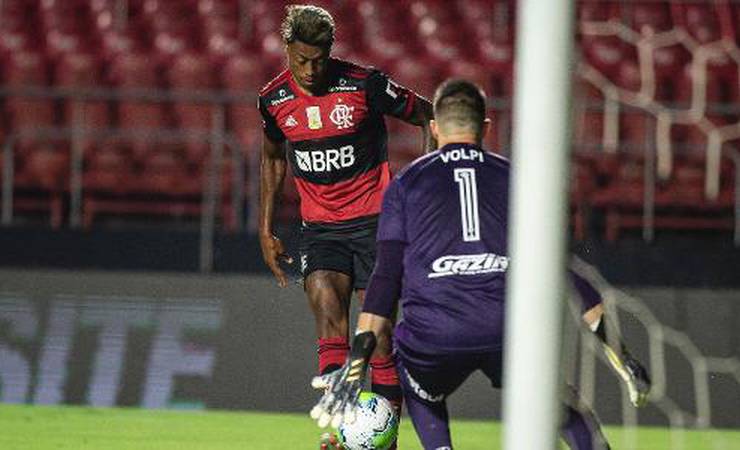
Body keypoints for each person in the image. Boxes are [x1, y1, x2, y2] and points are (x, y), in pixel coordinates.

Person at [310, 79, 650, 450]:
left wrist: (358, 355)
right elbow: (565, 272)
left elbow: (386, 275)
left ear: (435, 128)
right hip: (509, 330)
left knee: (415, 382)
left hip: (433, 333)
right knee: (562, 405)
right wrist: (623, 355)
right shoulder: (521, 181)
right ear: (485, 128)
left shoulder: (405, 184)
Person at [257, 4, 435, 448]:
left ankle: (384, 442)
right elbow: (273, 158)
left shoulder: (365, 85)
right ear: (287, 51)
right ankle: (345, 436)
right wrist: (265, 228)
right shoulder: (274, 100)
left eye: (318, 59)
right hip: (321, 229)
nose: (311, 69)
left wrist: (427, 187)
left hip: (377, 224)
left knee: (379, 336)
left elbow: (427, 114)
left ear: (330, 51)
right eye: (301, 60)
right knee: (325, 306)